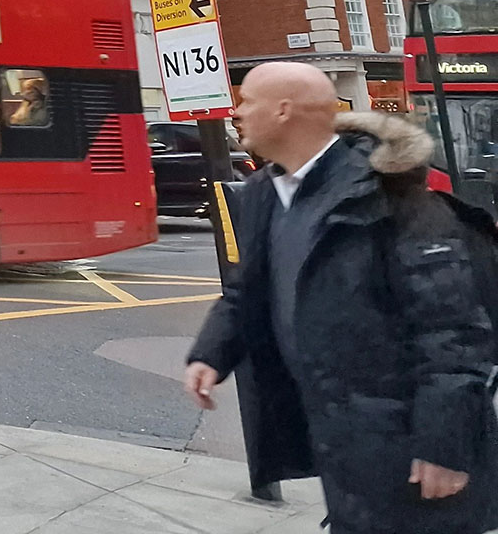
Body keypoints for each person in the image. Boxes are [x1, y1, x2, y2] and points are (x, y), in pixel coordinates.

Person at [184, 61, 498, 534]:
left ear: (284, 110)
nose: (237, 112)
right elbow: (249, 289)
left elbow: (452, 333)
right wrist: (212, 353)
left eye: (247, 101)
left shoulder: (388, 194)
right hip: (337, 436)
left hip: (408, 444)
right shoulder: (265, 193)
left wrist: (445, 447)